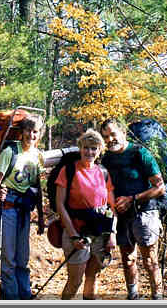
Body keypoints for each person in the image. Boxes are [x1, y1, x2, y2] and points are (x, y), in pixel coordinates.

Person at [100, 118, 165, 300]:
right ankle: (133, 296)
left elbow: (160, 188)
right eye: (105, 136)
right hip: (121, 217)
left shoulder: (139, 153)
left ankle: (157, 298)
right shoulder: (107, 158)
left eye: (113, 134)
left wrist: (133, 199)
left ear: (123, 133)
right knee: (128, 260)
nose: (109, 139)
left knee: (150, 261)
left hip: (145, 213)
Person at [55, 129, 117, 300]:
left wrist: (112, 234)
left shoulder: (103, 173)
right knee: (75, 280)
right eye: (86, 148)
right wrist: (73, 236)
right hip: (77, 232)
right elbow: (60, 205)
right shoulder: (68, 171)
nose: (90, 152)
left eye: (94, 148)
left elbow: (111, 207)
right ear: (80, 148)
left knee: (92, 277)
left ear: (99, 151)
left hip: (100, 233)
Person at [0, 113, 45, 300]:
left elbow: (37, 187)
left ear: (40, 134)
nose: (32, 135)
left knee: (22, 259)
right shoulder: (10, 152)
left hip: (23, 210)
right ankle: (12, 297)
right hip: (6, 208)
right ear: (22, 132)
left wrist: (42, 218)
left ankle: (25, 296)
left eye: (35, 131)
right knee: (8, 260)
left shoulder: (37, 156)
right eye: (28, 130)